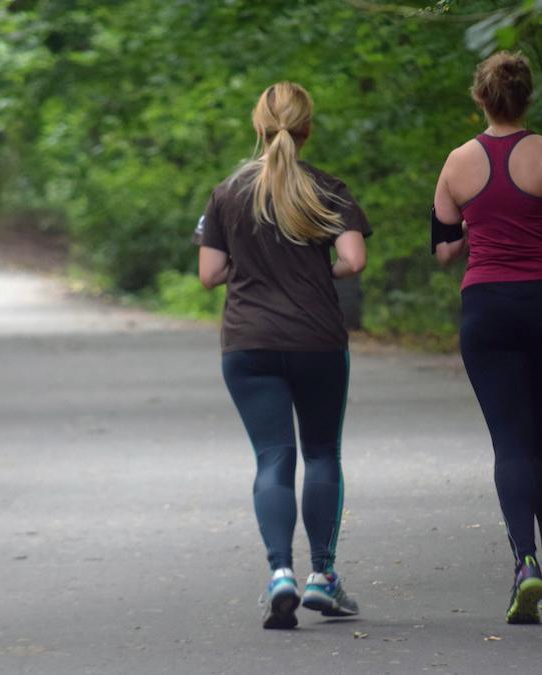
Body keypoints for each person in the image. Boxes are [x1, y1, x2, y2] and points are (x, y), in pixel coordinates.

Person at [431, 51, 542, 625]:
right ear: (529, 96)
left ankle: (523, 563)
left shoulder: (456, 162)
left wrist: (471, 232)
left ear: (479, 97)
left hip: (488, 310)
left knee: (510, 442)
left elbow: (445, 246)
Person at [196, 82, 370, 630]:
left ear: (259, 126)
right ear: (307, 128)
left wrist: (250, 267)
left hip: (249, 343)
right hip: (317, 339)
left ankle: (280, 574)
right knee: (322, 454)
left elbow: (209, 275)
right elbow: (354, 260)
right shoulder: (328, 189)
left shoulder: (228, 192)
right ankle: (323, 576)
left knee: (274, 458)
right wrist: (318, 270)